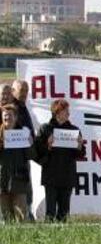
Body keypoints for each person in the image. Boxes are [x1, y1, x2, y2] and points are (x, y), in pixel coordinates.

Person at [34, 99, 85, 222]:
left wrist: (79, 147)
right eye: (66, 111)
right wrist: (48, 146)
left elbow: (80, 154)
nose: (68, 114)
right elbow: (36, 152)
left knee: (64, 213)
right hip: (51, 177)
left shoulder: (74, 130)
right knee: (50, 213)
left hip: (67, 176)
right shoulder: (45, 129)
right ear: (57, 112)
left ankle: (62, 239)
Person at [0, 105, 34, 222]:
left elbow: (31, 156)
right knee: (6, 218)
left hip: (19, 180)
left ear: (15, 117)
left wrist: (30, 144)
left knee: (22, 218)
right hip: (2, 181)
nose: (7, 118)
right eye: (5, 116)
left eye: (10, 116)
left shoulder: (23, 134)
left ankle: (24, 240)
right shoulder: (0, 134)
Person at [11, 80, 35, 220]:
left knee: (26, 186)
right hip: (14, 157)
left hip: (24, 155)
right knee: (17, 187)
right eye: (22, 91)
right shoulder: (11, 109)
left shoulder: (23, 106)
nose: (25, 94)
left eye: (26, 91)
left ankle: (27, 213)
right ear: (13, 91)